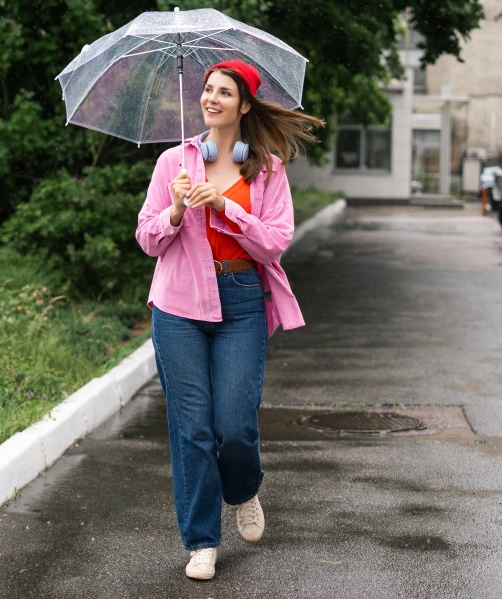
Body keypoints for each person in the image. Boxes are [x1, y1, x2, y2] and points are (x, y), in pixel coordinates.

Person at [135, 59, 324, 581]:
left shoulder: (265, 169)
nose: (211, 99)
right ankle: (201, 542)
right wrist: (174, 211)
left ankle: (243, 489)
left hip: (240, 298)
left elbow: (274, 242)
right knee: (191, 429)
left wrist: (225, 207)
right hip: (179, 304)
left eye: (224, 92)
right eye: (207, 90)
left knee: (235, 426)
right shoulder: (175, 161)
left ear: (244, 105)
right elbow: (147, 239)